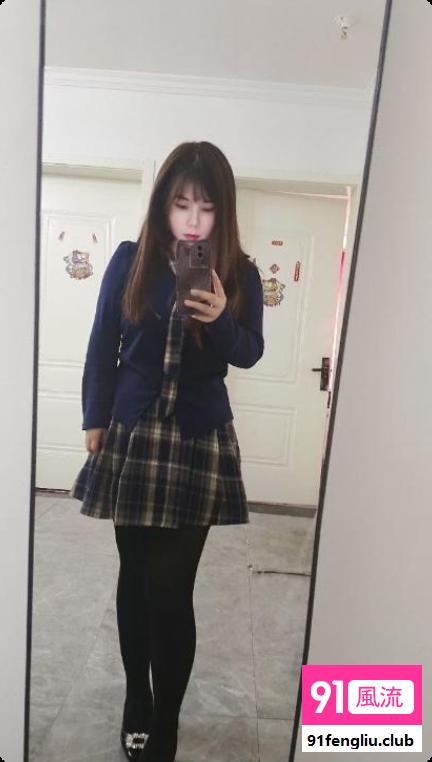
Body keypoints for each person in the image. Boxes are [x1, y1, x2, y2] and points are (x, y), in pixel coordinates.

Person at [69, 141, 264, 762]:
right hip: (134, 436)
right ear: (163, 205)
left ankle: (167, 723)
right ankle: (137, 699)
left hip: (199, 442)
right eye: (182, 204)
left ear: (222, 212)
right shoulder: (131, 261)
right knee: (134, 579)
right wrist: (94, 417)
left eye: (206, 207)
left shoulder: (241, 273)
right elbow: (103, 342)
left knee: (171, 591)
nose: (192, 219)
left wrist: (223, 318)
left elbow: (249, 352)